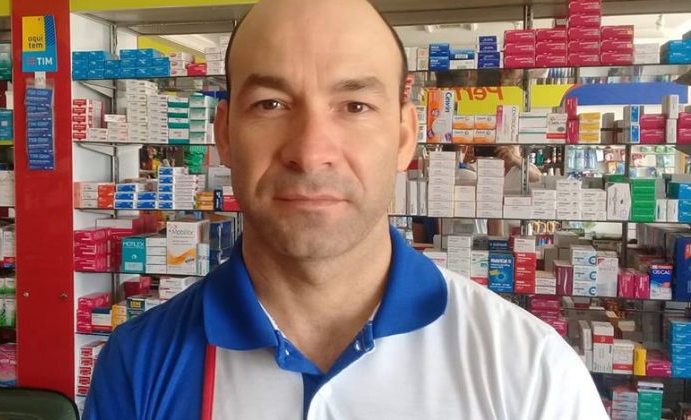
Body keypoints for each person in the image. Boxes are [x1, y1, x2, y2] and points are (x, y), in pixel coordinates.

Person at [84, 0, 608, 419]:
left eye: (355, 106)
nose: (311, 151)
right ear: (224, 135)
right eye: (271, 104)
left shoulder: (533, 373)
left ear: (404, 136)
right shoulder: (137, 365)